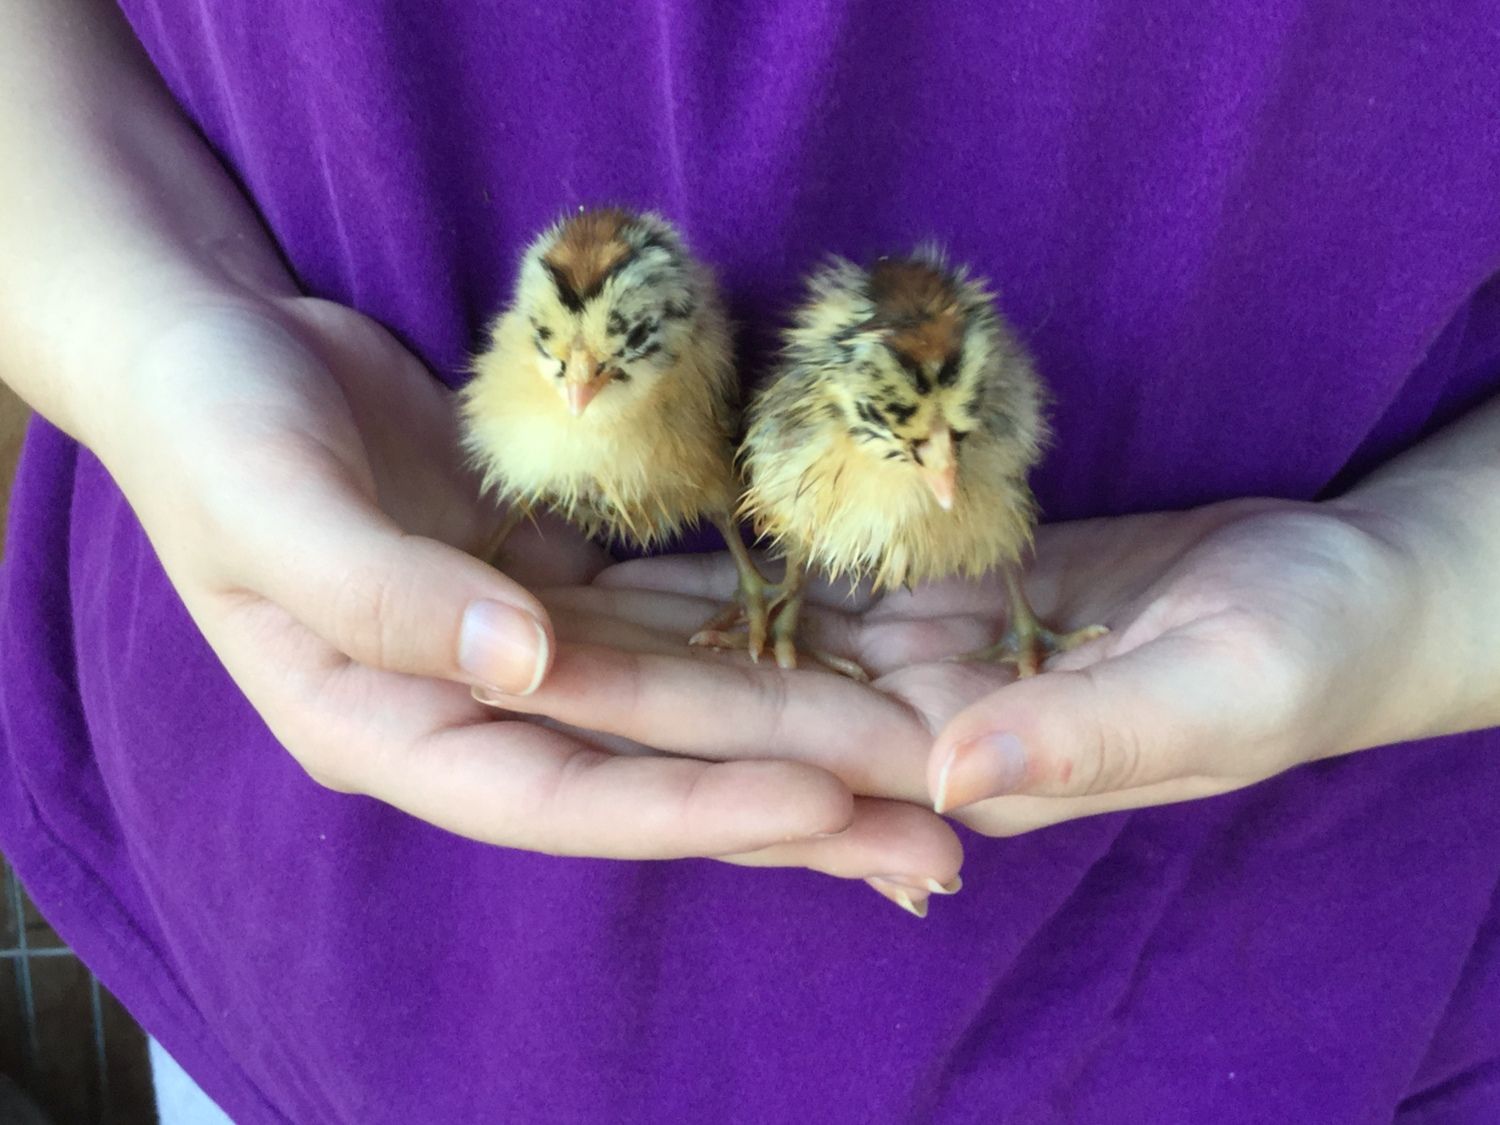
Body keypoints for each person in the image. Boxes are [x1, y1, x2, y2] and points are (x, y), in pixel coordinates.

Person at [2, 1, 1498, 1121]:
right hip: (280, 917)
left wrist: (1429, 581)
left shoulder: (871, 430)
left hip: (1275, 992)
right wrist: (141, 330)